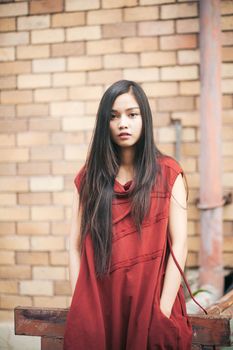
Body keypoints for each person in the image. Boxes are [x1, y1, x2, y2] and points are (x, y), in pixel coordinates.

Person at [63, 80, 205, 350]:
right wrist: (81, 304)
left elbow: (180, 244)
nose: (123, 123)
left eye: (132, 114)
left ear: (144, 118)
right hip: (102, 306)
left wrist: (162, 310)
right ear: (105, 123)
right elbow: (73, 245)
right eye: (114, 116)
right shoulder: (88, 179)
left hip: (151, 303)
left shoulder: (168, 172)